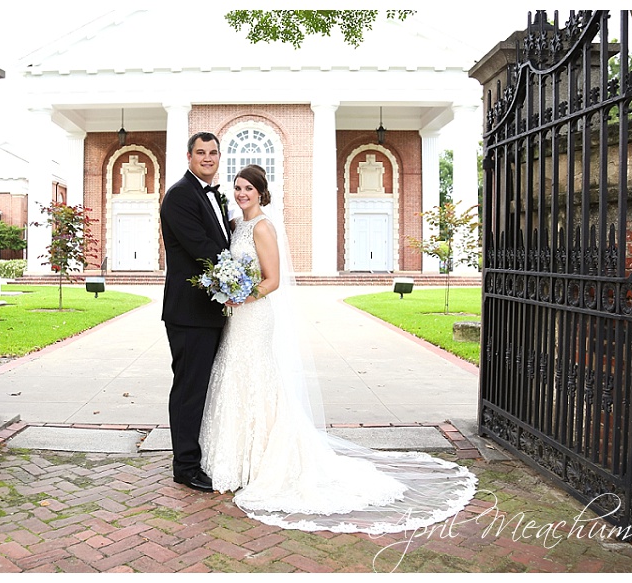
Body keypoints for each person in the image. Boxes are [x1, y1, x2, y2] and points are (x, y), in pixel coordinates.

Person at [199, 164, 478, 534]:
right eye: (238, 187)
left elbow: (274, 280)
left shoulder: (263, 227)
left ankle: (265, 460)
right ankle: (238, 459)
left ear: (262, 192)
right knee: (233, 374)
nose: (241, 193)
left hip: (253, 314)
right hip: (237, 317)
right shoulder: (237, 226)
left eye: (248, 188)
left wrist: (241, 294)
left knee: (255, 376)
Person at [160, 131, 231, 492]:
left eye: (213, 152)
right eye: (200, 152)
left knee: (203, 388)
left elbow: (219, 239)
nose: (207, 157)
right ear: (188, 156)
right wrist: (241, 271)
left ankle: (198, 456)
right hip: (189, 312)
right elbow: (202, 248)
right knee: (189, 389)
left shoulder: (213, 196)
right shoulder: (180, 196)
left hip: (210, 310)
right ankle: (185, 466)